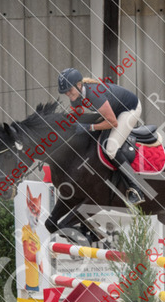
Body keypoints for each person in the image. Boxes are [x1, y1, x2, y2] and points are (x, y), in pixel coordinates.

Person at [57, 67, 145, 204]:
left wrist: (89, 127)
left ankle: (136, 189)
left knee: (111, 148)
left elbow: (113, 122)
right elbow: (78, 114)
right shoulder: (76, 96)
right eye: (65, 92)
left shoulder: (93, 95)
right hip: (113, 110)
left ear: (79, 85)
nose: (68, 94)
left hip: (129, 109)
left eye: (69, 90)